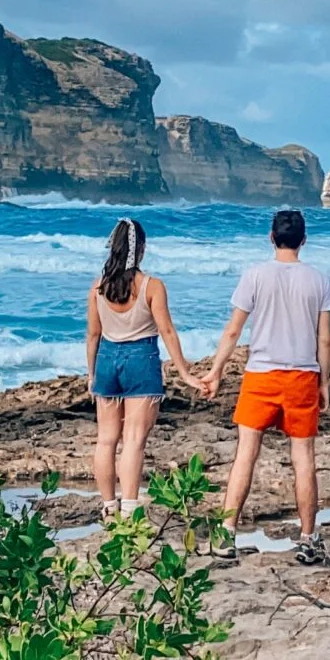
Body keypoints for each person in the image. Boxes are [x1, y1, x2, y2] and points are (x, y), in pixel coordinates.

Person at [199, 207, 330, 558]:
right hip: (303, 375)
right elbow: (324, 339)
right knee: (303, 457)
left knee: (246, 453)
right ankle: (308, 538)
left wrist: (215, 371)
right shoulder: (319, 280)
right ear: (303, 241)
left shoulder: (255, 275)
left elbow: (234, 330)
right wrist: (324, 381)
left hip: (260, 374)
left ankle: (227, 534)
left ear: (271, 237)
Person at [85, 217, 195, 515]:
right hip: (141, 360)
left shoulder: (98, 287)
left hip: (107, 360)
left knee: (106, 439)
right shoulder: (152, 286)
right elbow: (167, 331)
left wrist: (92, 373)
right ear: (141, 249)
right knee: (133, 440)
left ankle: (108, 506)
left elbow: (94, 334)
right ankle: (130, 508)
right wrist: (184, 371)